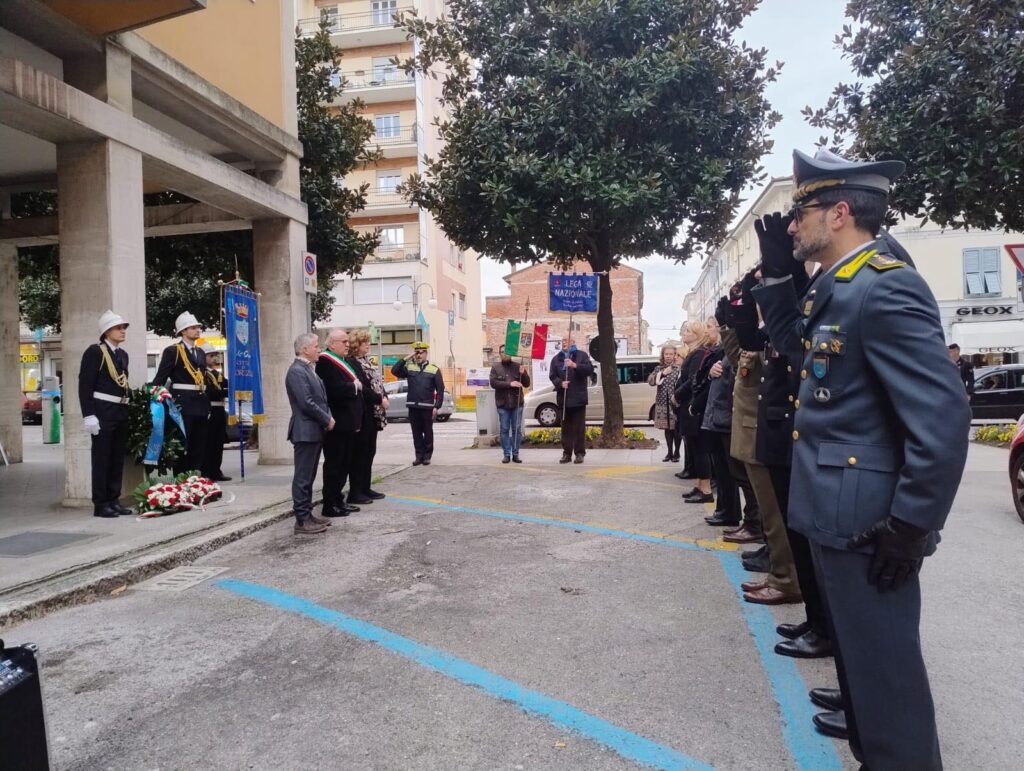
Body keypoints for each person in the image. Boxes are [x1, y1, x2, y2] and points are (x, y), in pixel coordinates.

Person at [751, 148, 971, 769]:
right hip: (838, 514)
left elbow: (941, 416)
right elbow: (799, 353)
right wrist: (777, 281)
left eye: (802, 213)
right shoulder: (838, 286)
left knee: (888, 684)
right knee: (866, 679)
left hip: (872, 524)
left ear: (840, 213)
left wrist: (912, 523)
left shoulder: (885, 285)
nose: (793, 226)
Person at [78, 310, 133, 518]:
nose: (123, 331)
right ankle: (101, 504)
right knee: (102, 459)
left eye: (123, 328)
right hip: (102, 411)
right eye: (118, 328)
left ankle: (113, 499)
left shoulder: (122, 355)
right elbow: (85, 385)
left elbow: (123, 384)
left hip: (120, 411)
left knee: (117, 458)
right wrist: (88, 414)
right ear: (107, 331)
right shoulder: (95, 352)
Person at [285, 332, 334, 535]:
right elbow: (306, 402)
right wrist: (326, 419)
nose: (319, 350)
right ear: (305, 349)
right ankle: (302, 519)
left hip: (314, 430)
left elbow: (321, 399)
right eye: (316, 346)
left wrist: (326, 417)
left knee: (310, 475)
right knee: (303, 477)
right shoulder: (296, 371)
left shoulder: (308, 369)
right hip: (305, 430)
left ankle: (308, 514)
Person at [153, 312, 210, 475]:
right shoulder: (173, 351)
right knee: (182, 445)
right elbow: (160, 379)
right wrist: (155, 402)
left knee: (199, 446)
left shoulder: (200, 352)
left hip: (200, 404)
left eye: (198, 327)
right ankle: (181, 480)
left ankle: (195, 479)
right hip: (183, 403)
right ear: (183, 331)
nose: (197, 330)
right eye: (193, 327)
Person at [314, 329, 363, 517]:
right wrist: (352, 387)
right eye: (344, 342)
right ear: (332, 344)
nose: (348, 345)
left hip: (348, 423)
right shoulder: (325, 362)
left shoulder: (343, 361)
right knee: (334, 465)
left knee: (344, 464)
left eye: (348, 341)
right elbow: (331, 389)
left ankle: (338, 500)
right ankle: (329, 504)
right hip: (337, 423)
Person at [673, 321, 716, 502]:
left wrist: (677, 395)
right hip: (689, 406)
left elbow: (693, 380)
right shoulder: (695, 352)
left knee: (699, 449)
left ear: (696, 335)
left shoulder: (699, 353)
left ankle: (705, 490)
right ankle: (699, 485)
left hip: (693, 407)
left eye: (688, 330)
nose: (684, 332)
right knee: (694, 448)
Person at [349, 329, 388, 502]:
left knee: (370, 452)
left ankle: (366, 487)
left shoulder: (367, 361)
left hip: (374, 414)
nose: (368, 345)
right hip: (363, 413)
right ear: (356, 344)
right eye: (364, 342)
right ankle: (356, 491)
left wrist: (384, 396)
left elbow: (377, 382)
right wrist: (379, 399)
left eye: (368, 342)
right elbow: (363, 388)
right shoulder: (352, 362)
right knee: (360, 453)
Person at [391, 341, 444, 466]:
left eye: (421, 352)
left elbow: (440, 390)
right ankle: (419, 456)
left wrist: (436, 406)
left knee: (428, 432)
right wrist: (407, 358)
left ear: (426, 353)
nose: (419, 355)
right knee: (416, 433)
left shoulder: (434, 369)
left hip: (427, 407)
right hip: (413, 406)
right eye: (416, 352)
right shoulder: (410, 367)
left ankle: (427, 456)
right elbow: (394, 370)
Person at [548, 334, 594, 463]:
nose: (564, 342)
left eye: (567, 340)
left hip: (578, 398)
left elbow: (589, 370)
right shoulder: (556, 359)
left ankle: (579, 453)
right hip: (564, 398)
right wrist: (560, 383)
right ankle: (566, 454)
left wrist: (575, 365)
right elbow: (552, 375)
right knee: (566, 429)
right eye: (562, 340)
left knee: (579, 428)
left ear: (573, 342)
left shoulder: (581, 355)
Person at [490, 345, 531, 463]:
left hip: (517, 403)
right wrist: (509, 384)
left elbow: (527, 384)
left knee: (516, 429)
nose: (504, 354)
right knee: (504, 429)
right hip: (502, 404)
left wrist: (524, 373)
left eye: (507, 351)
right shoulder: (495, 367)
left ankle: (516, 453)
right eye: (502, 352)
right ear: (499, 354)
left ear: (511, 353)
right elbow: (493, 383)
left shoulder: (518, 366)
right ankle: (506, 454)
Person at [200, 343, 230, 482]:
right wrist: (225, 392)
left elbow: (226, 385)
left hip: (219, 410)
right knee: (208, 443)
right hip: (209, 410)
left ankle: (216, 471)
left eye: (214, 356)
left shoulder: (216, 373)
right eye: (211, 356)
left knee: (218, 443)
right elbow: (211, 392)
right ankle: (206, 471)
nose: (214, 358)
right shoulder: (202, 373)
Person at [648, 345, 680, 462]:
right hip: (662, 402)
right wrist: (662, 374)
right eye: (666, 354)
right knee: (667, 429)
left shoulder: (678, 368)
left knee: (676, 429)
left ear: (675, 355)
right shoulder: (658, 368)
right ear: (663, 355)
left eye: (671, 354)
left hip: (675, 403)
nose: (668, 356)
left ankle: (677, 453)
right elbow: (650, 381)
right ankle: (669, 452)